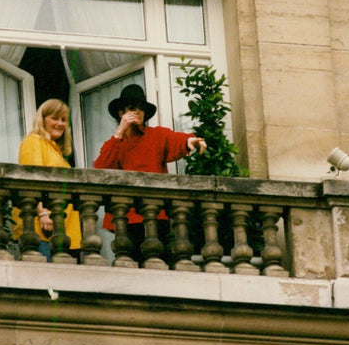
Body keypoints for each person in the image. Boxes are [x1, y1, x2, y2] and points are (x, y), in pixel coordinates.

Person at [93, 84, 206, 262]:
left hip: (156, 216)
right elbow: (100, 169)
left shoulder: (156, 135)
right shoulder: (115, 143)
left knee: (159, 264)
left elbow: (176, 140)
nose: (137, 112)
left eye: (141, 109)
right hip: (126, 218)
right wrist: (120, 131)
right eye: (131, 108)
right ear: (121, 113)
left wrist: (190, 140)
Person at [12, 99, 82, 260]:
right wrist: (42, 212)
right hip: (41, 228)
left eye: (64, 120)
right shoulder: (34, 141)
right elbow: (32, 180)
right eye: (55, 118)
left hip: (61, 230)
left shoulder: (56, 150)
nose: (60, 123)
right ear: (42, 119)